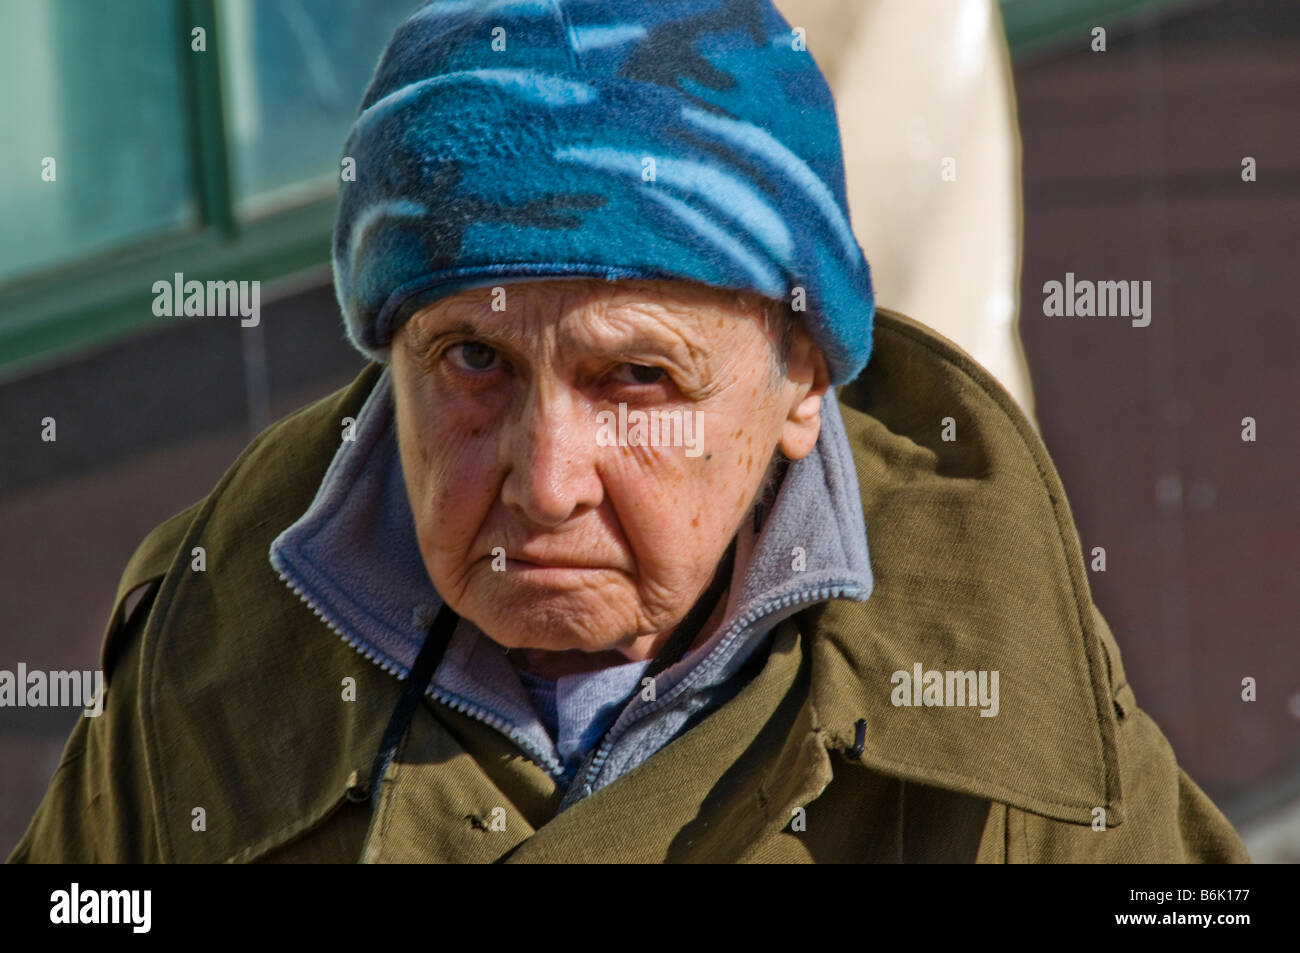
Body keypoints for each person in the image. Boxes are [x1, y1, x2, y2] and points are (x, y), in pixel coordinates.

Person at [11, 0, 1246, 863]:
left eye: (639, 378)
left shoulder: (993, 686)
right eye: (474, 362)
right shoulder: (214, 640)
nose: (544, 484)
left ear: (800, 381)